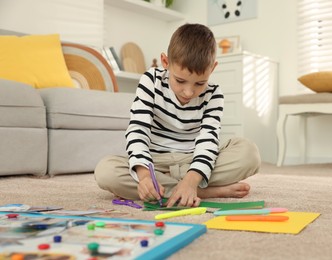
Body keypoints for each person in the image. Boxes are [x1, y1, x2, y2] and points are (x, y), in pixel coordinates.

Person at [95, 23, 261, 208]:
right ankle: (202, 191)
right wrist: (144, 176)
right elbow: (138, 129)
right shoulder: (151, 81)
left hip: (192, 161)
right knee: (106, 171)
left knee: (249, 153)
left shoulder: (214, 94)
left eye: (200, 83)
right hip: (155, 162)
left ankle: (187, 186)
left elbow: (208, 140)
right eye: (180, 81)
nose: (189, 92)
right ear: (165, 63)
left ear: (212, 69)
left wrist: (191, 179)